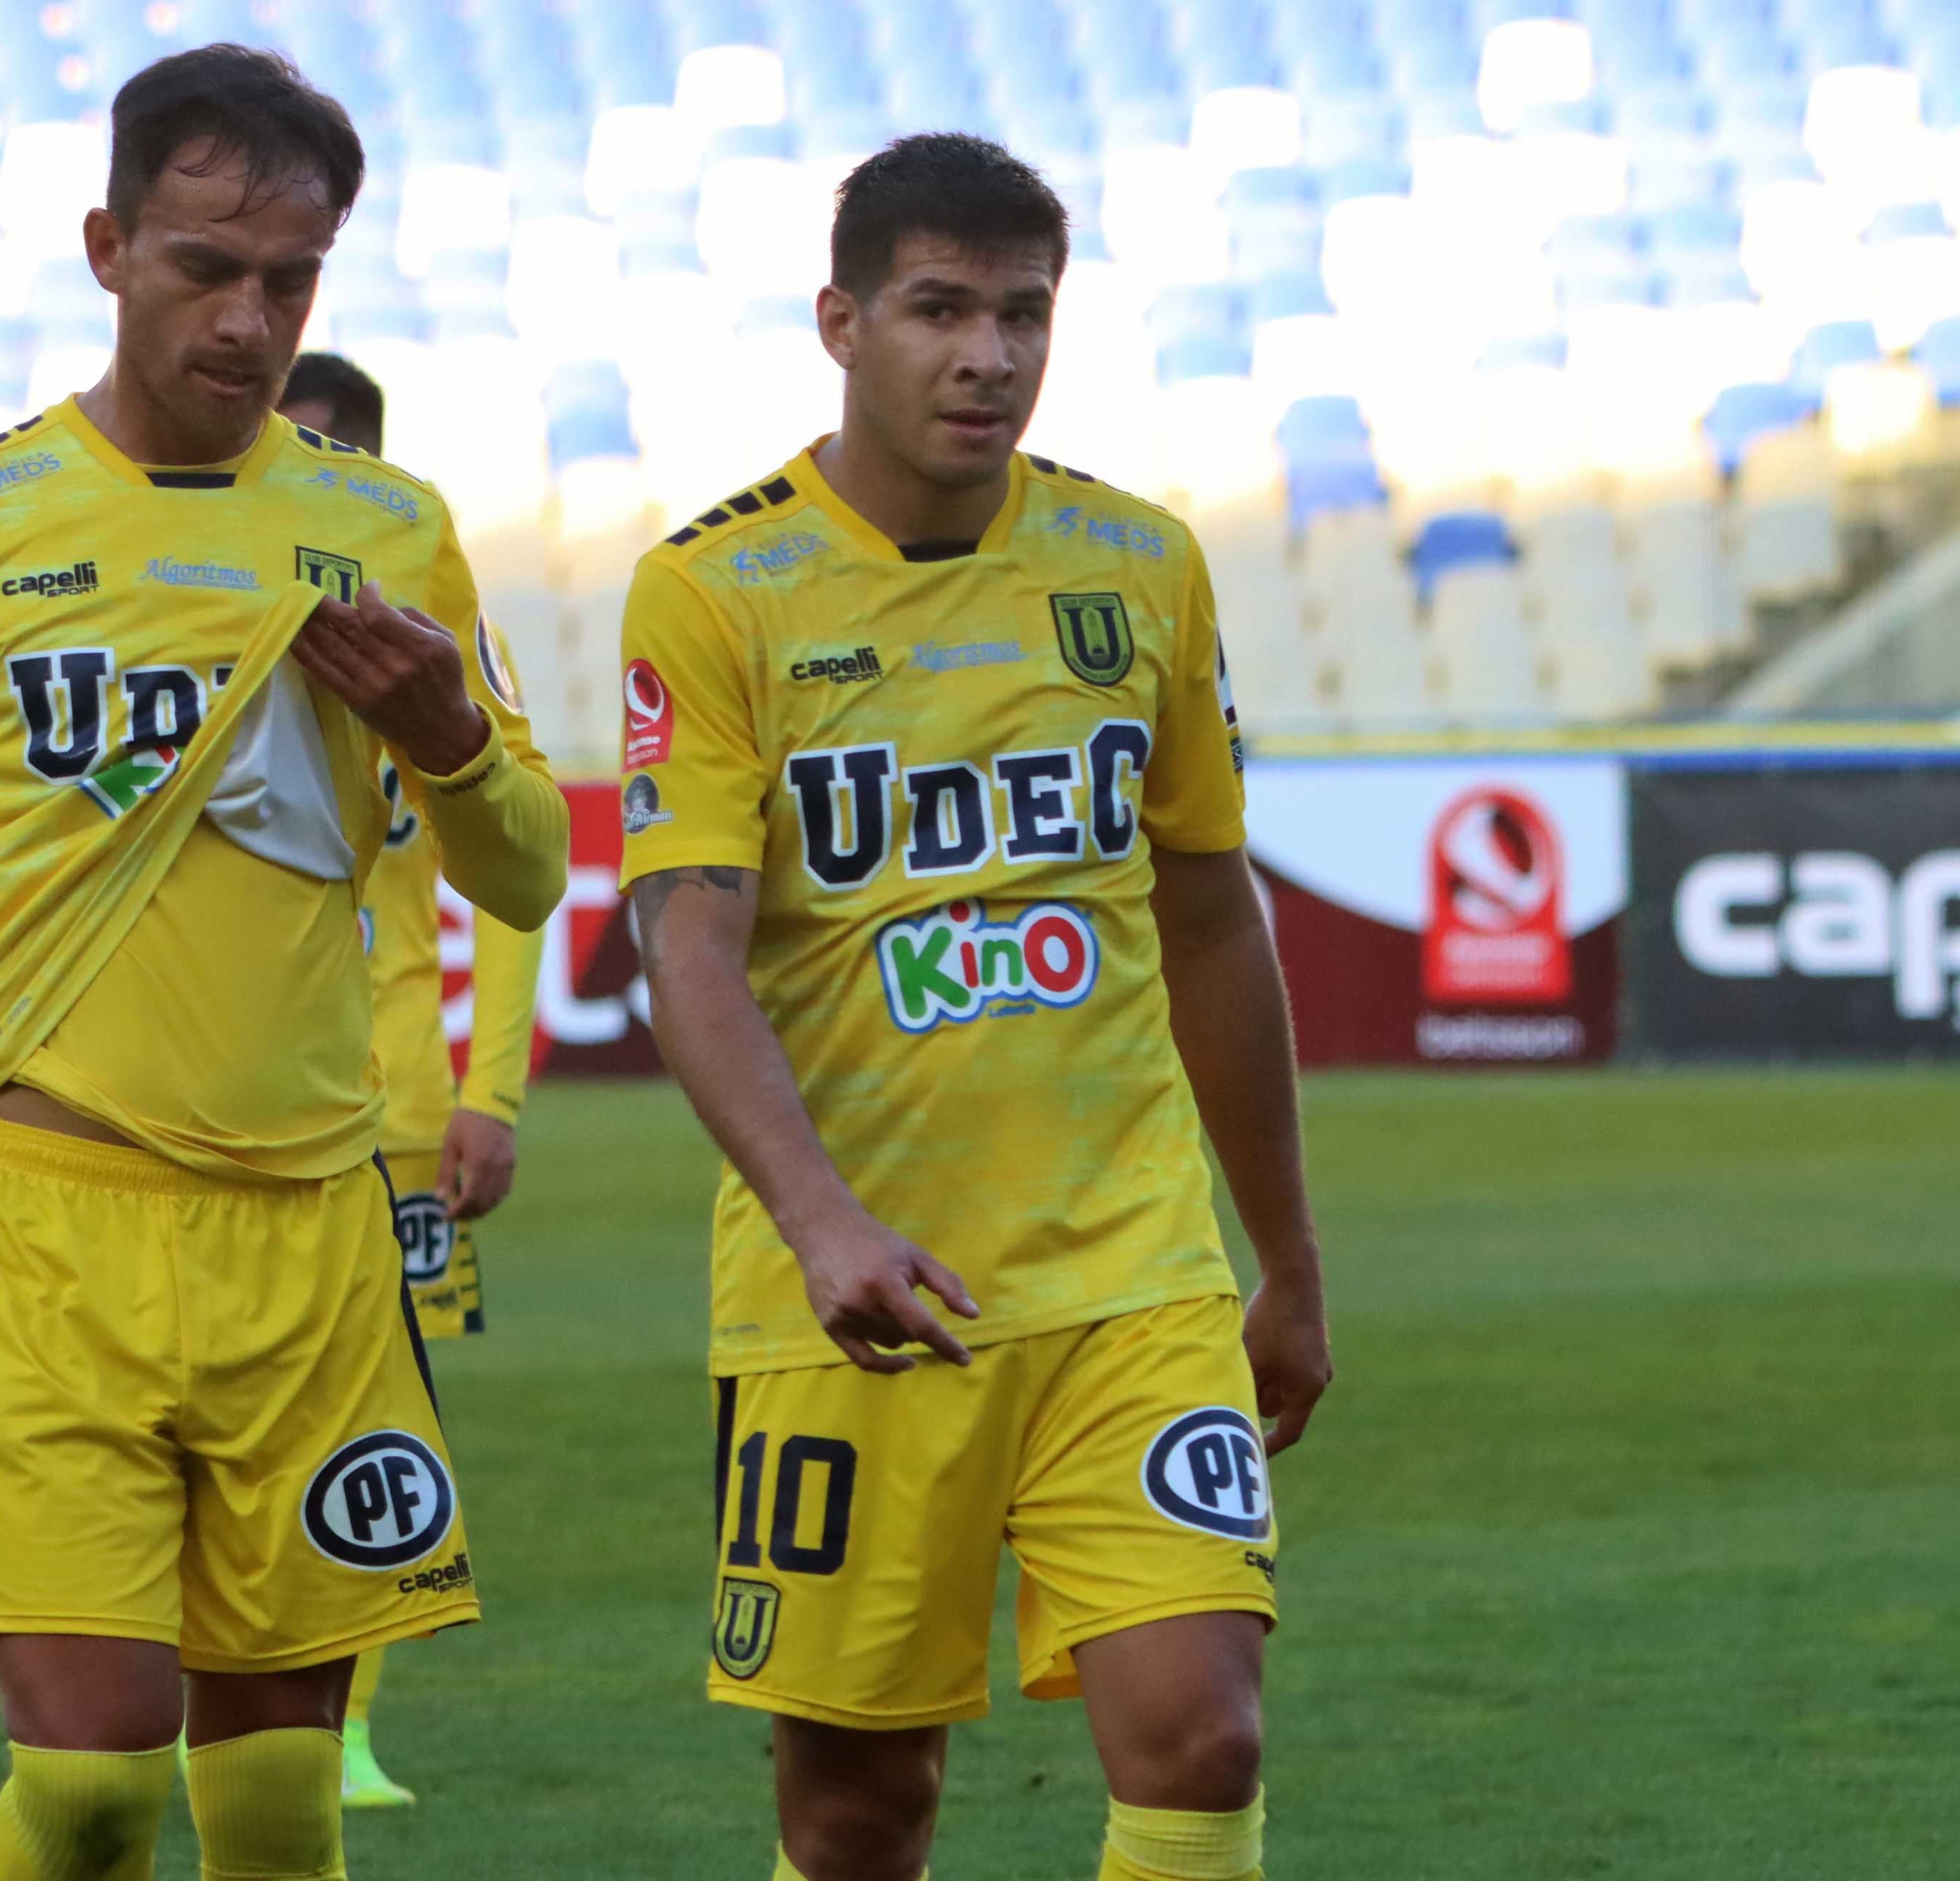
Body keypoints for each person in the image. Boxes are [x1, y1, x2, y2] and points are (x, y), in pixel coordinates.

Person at [0, 46, 568, 1881]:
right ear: (110, 247)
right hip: (50, 1219)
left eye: (291, 280)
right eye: (208, 266)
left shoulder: (387, 530)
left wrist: (449, 730)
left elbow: (521, 868)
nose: (251, 317)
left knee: (279, 1800)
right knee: (105, 1781)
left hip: (314, 1227)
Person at [615, 133, 1334, 1881]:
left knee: (1202, 1738)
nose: (987, 356)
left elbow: (1208, 917)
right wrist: (819, 1221)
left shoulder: (1139, 566)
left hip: (1132, 1273)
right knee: (862, 1811)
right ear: (840, 321)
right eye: (941, 309)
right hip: (855, 1292)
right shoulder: (713, 591)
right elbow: (688, 948)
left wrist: (1286, 1254)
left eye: (1024, 313)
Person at [275, 352, 550, 1809]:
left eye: (329, 454)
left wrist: (489, 1091)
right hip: (241, 1108)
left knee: (380, 1427)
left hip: (393, 1117)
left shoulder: (440, 641)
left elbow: (506, 873)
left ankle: (349, 1730)